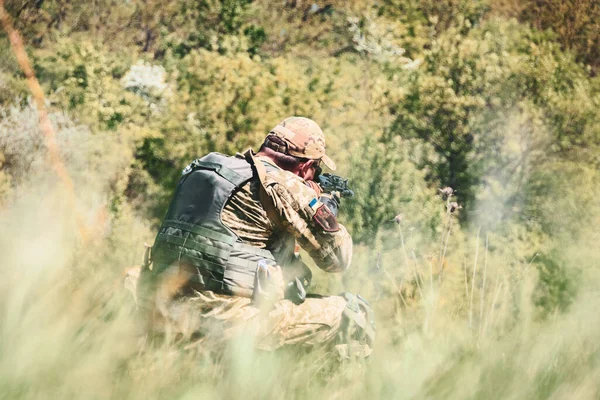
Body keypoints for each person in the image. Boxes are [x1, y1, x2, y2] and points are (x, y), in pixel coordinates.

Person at [134, 116, 375, 358]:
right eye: (316, 169)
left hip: (164, 309)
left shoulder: (206, 168)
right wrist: (324, 204)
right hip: (227, 320)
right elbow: (338, 259)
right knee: (354, 313)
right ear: (305, 166)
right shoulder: (283, 183)